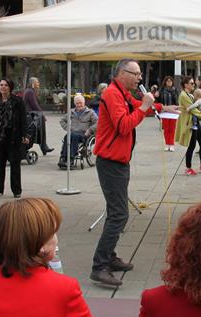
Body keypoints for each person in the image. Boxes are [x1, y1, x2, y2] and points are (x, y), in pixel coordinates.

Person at [90, 59, 173, 287]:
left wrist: (163, 108)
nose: (139, 78)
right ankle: (99, 266)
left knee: (115, 212)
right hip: (111, 163)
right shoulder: (112, 93)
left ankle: (109, 257)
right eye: (135, 74)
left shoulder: (122, 93)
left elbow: (136, 105)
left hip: (118, 161)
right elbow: (124, 125)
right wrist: (145, 107)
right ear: (122, 73)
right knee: (119, 214)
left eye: (139, 74)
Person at [0, 78, 28, 198]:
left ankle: (16, 190)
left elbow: (23, 119)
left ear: (10, 87)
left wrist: (25, 135)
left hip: (13, 136)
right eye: (1, 85)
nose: (3, 87)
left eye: (5, 85)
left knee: (15, 164)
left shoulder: (17, 101)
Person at [175, 78, 201, 176]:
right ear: (186, 84)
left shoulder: (189, 95)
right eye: (191, 83)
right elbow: (192, 109)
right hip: (190, 124)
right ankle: (188, 168)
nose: (193, 85)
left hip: (195, 122)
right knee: (192, 146)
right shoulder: (183, 95)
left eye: (193, 83)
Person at [58, 94, 98, 169]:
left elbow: (98, 123)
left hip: (84, 134)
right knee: (67, 136)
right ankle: (63, 157)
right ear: (74, 104)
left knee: (74, 136)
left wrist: (90, 130)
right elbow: (62, 120)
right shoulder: (71, 112)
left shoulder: (90, 112)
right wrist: (68, 128)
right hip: (73, 132)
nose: (79, 105)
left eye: (80, 103)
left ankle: (71, 159)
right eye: (77, 103)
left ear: (84, 102)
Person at [22, 77, 53, 155]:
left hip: (31, 114)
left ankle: (44, 147)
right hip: (31, 115)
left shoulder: (30, 91)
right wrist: (42, 114)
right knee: (39, 130)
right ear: (33, 83)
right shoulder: (30, 91)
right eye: (37, 82)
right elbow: (34, 105)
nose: (38, 84)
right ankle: (44, 147)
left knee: (40, 130)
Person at [159, 75, 178, 151]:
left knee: (172, 129)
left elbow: (177, 101)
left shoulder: (175, 90)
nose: (169, 82)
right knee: (166, 129)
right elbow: (159, 100)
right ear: (165, 82)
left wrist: (173, 93)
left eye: (170, 81)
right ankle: (167, 144)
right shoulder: (162, 90)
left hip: (173, 111)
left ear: (172, 82)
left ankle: (171, 144)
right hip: (165, 111)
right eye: (168, 81)